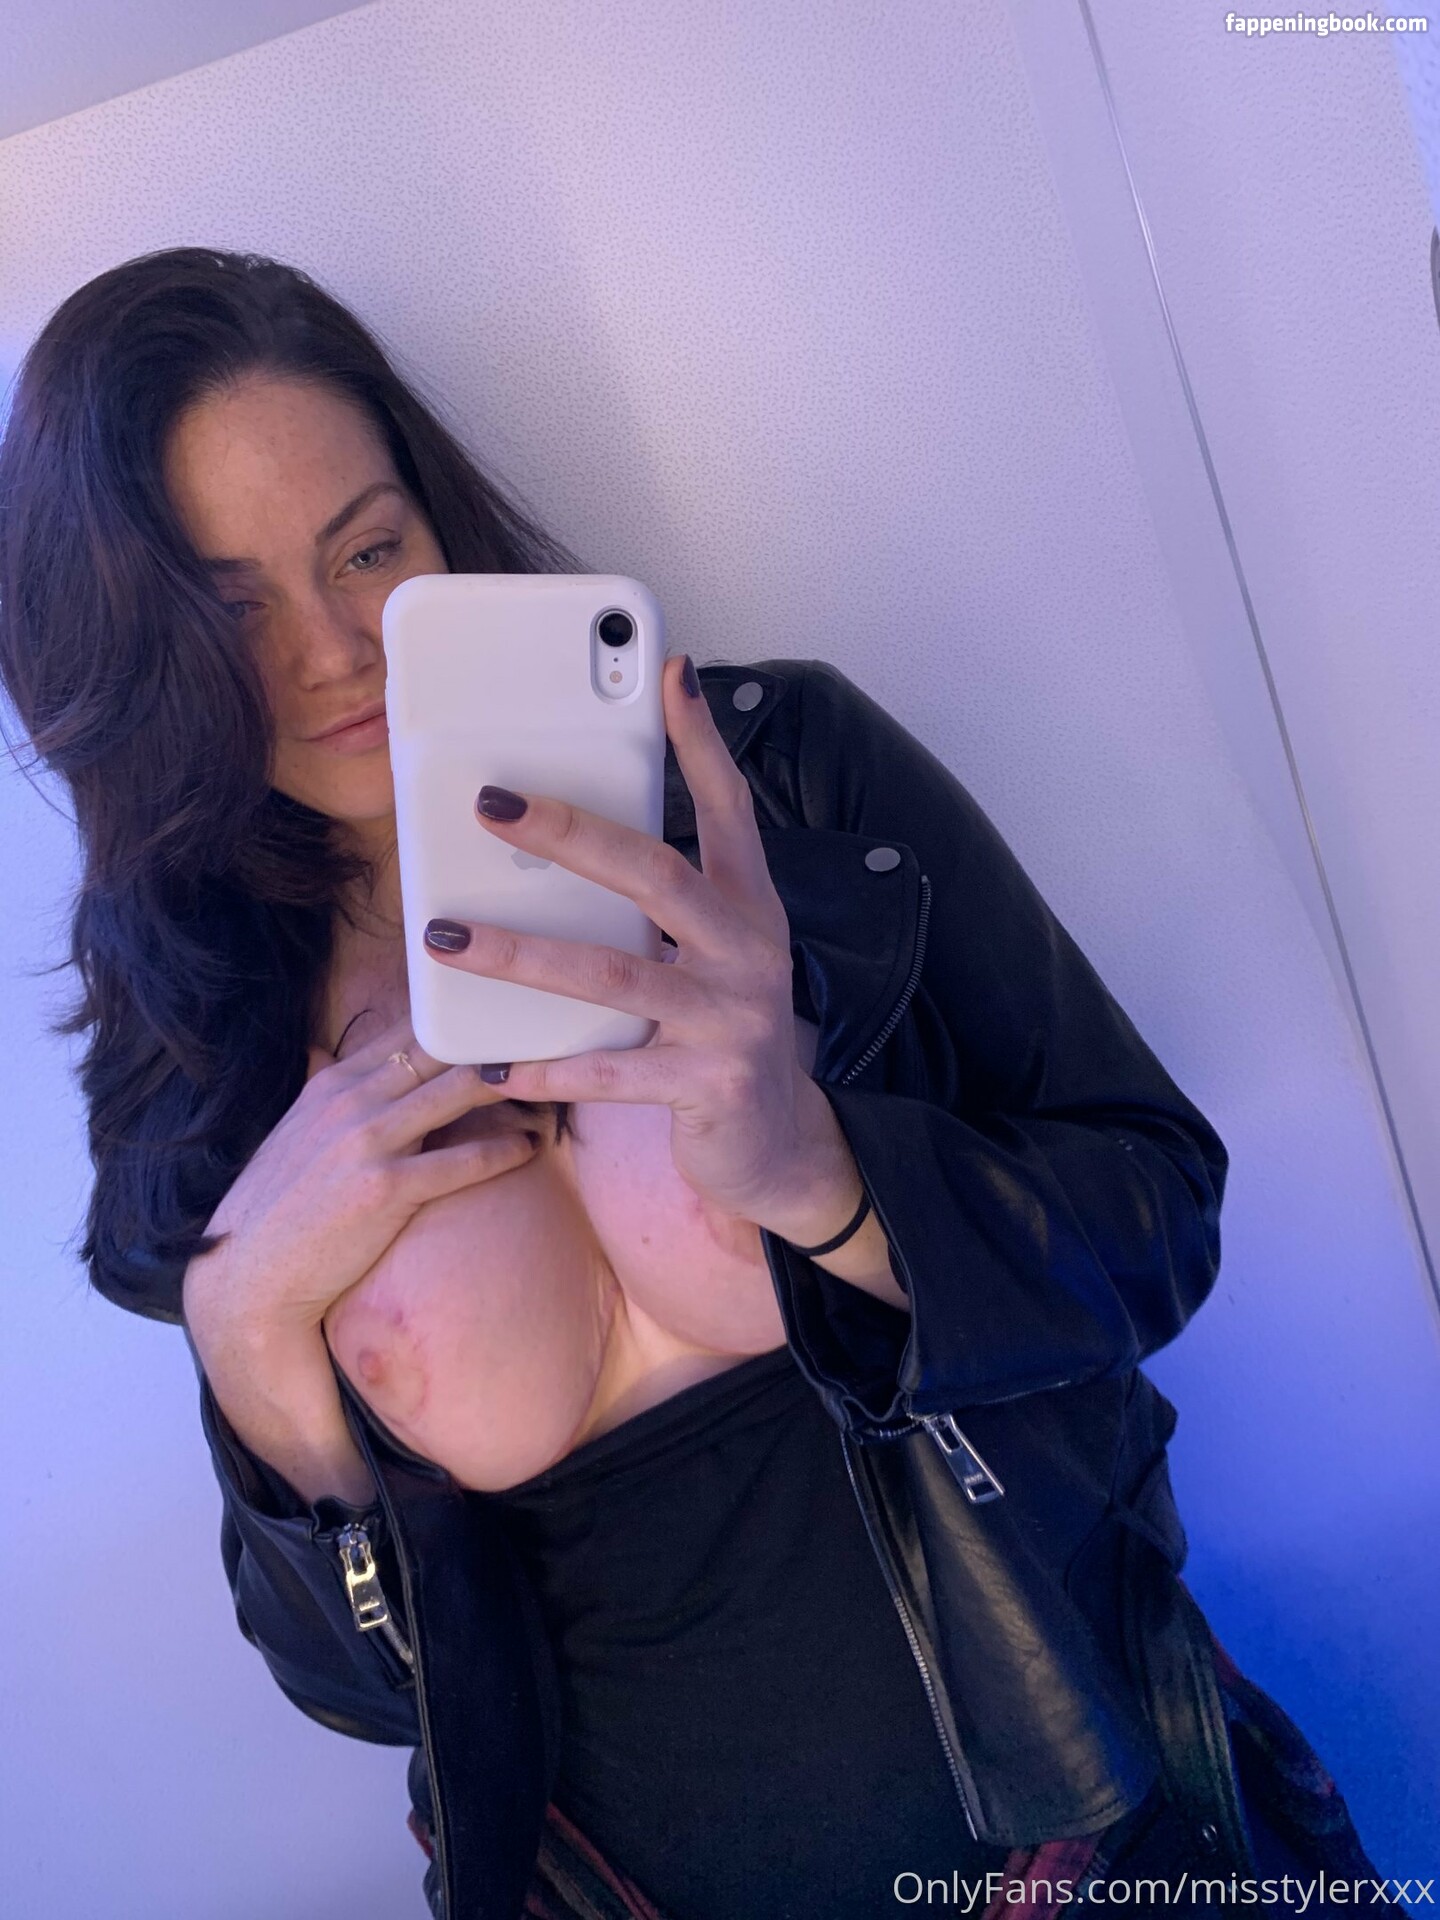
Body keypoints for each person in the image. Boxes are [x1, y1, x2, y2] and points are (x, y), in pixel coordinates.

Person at [0, 247, 1398, 1920]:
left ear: (437, 521)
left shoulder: (782, 780)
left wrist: (832, 1183)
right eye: (229, 613)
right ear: (134, 658)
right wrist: (249, 1342)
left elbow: (1160, 1214)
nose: (334, 653)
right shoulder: (201, 1057)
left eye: (367, 550)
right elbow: (369, 1694)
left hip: (1112, 1849)